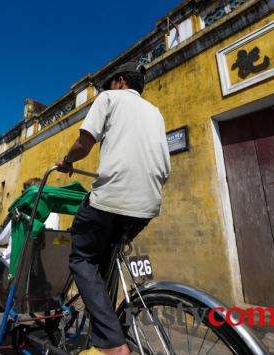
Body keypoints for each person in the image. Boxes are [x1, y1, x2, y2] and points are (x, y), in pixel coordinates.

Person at [56, 62, 171, 355]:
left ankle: (111, 344)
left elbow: (84, 144)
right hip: (147, 205)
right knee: (104, 259)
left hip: (112, 198)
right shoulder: (154, 112)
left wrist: (67, 161)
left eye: (110, 83)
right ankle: (104, 331)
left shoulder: (108, 98)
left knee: (82, 259)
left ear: (119, 82)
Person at [0, 177, 61, 263]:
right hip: (41, 266)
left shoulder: (19, 214)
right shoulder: (54, 215)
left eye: (23, 192)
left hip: (12, 269)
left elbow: (0, 239)